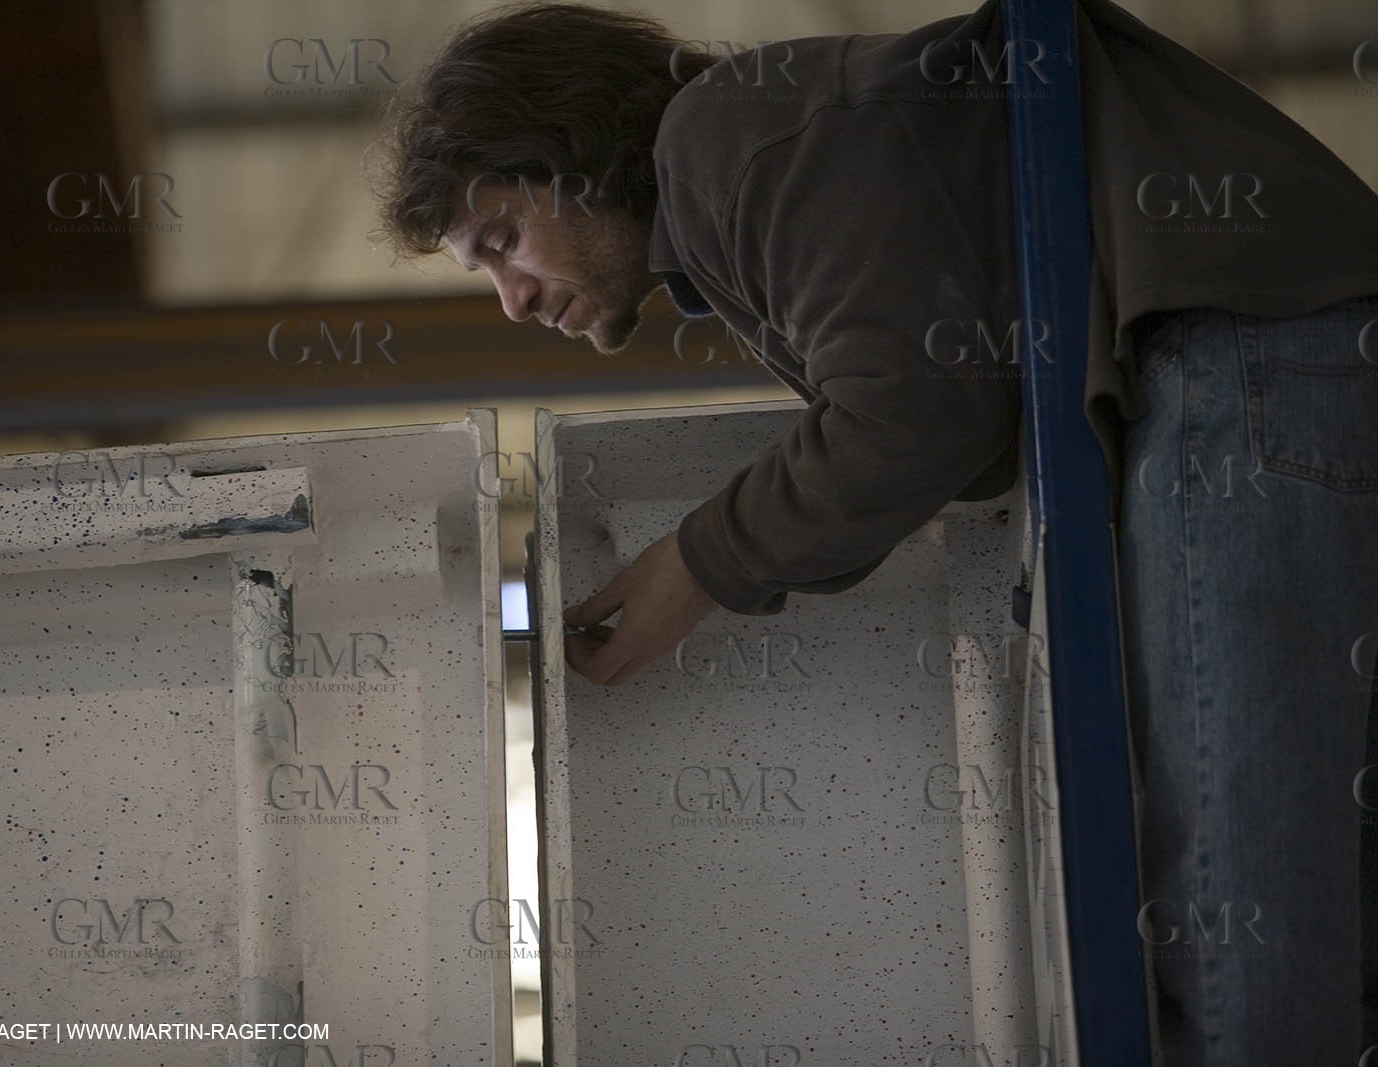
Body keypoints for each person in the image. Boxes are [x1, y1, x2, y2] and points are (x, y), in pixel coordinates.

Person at [370, 0, 1378, 1061]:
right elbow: (959, 411)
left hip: (1243, 360)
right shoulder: (754, 174)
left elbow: (916, 412)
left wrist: (693, 564)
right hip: (1291, 359)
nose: (511, 301)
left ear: (570, 155)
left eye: (502, 240)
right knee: (1328, 897)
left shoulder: (718, 140)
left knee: (1240, 907)